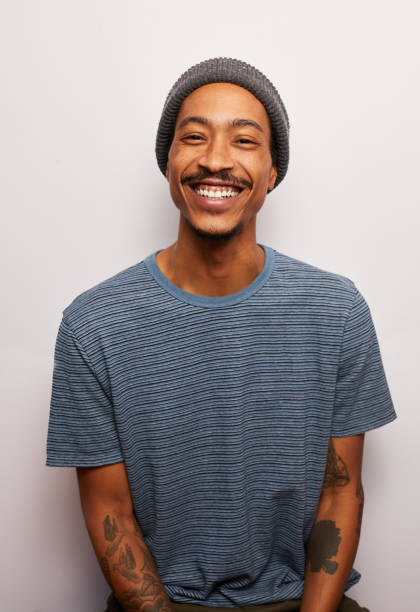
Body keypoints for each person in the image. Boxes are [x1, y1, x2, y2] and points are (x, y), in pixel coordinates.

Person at [46, 57, 397, 612]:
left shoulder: (336, 311)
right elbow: (110, 511)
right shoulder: (95, 323)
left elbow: (340, 492)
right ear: (167, 163)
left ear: (273, 171)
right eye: (193, 137)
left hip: (304, 600)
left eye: (244, 141)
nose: (215, 160)